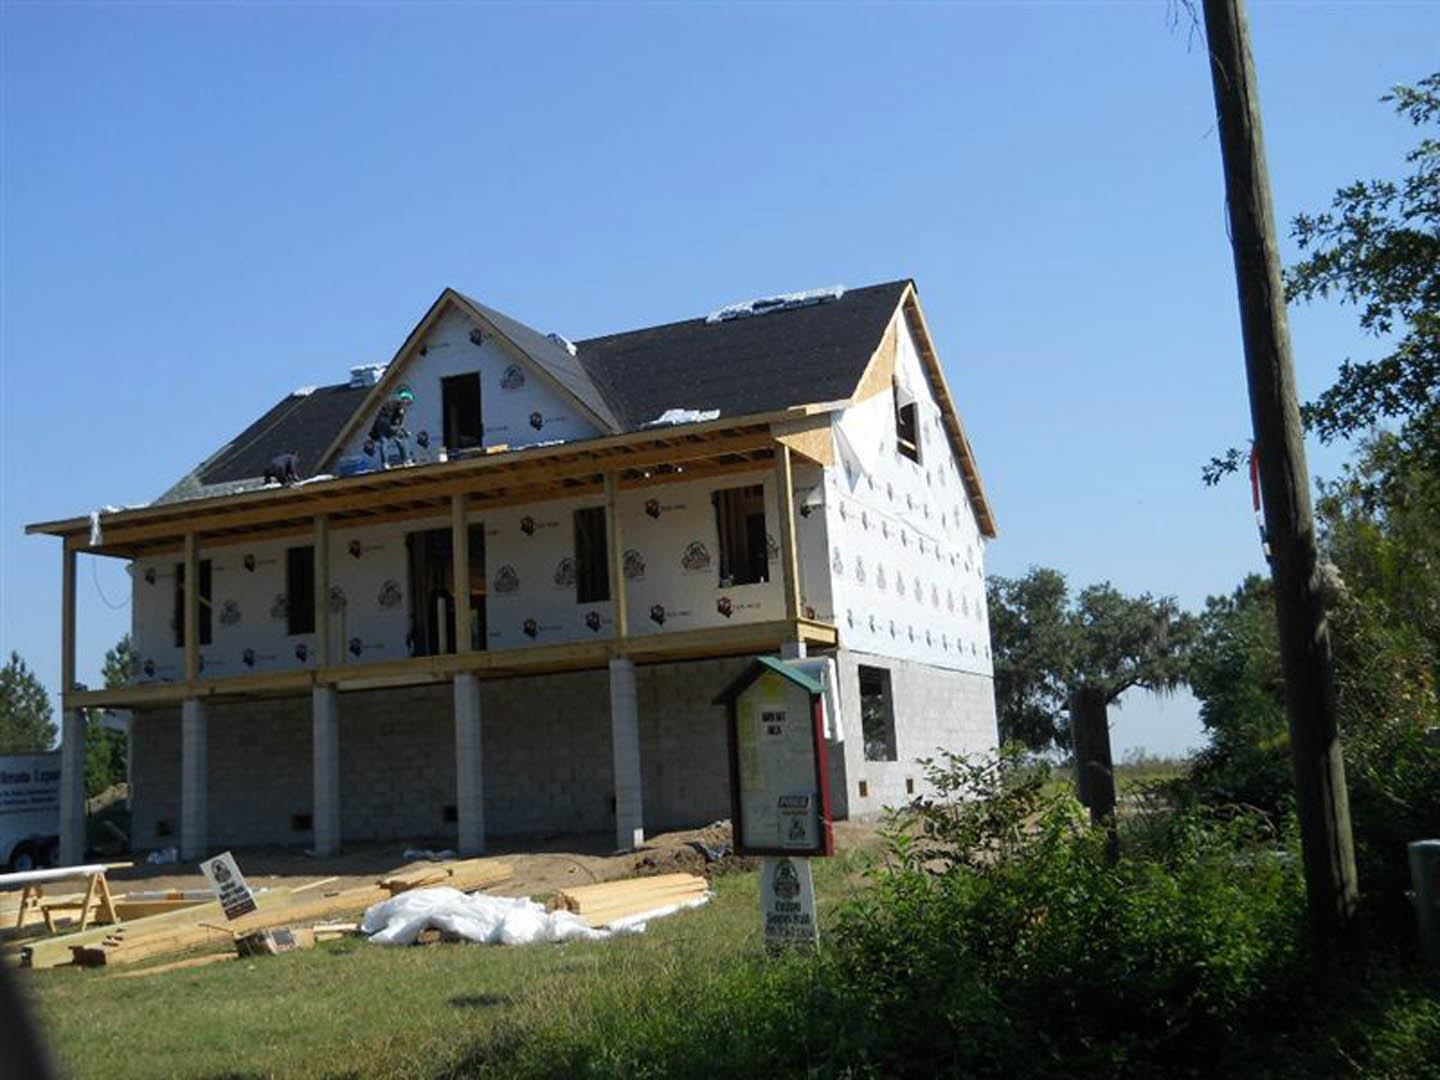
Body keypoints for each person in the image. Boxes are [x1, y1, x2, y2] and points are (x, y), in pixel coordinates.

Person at [369, 388, 415, 467]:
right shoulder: (401, 404)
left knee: (384, 443)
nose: (408, 404)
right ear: (407, 399)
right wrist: (403, 431)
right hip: (389, 424)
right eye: (409, 402)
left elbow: (378, 416)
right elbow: (400, 415)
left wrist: (375, 431)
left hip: (380, 424)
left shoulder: (389, 402)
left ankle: (385, 463)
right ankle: (407, 461)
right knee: (401, 440)